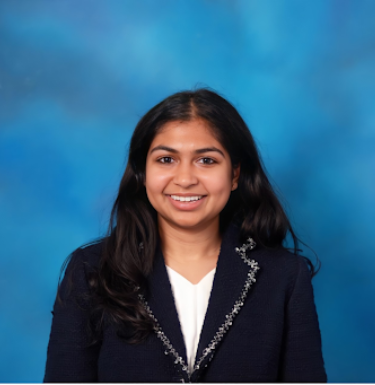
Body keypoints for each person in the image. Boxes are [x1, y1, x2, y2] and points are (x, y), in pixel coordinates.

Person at [44, 89, 327, 383]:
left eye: (206, 161)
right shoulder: (90, 270)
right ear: (142, 173)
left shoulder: (284, 276)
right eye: (166, 159)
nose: (185, 179)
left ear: (234, 175)